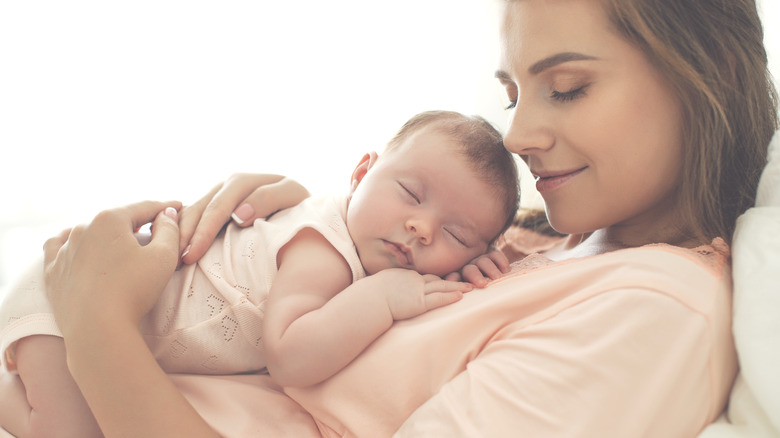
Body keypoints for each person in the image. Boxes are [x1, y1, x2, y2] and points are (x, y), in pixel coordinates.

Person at [2, 0, 777, 436]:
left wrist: (99, 324)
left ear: (706, 79)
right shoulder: (550, 241)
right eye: (513, 96)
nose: (517, 136)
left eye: (567, 87)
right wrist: (293, 217)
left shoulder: (650, 313)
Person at [0, 110, 520, 437]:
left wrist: (463, 268)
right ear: (361, 172)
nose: (421, 228)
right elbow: (289, 355)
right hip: (62, 301)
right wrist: (383, 298)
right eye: (410, 194)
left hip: (93, 294)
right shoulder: (325, 251)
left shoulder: (360, 241)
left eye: (457, 235)